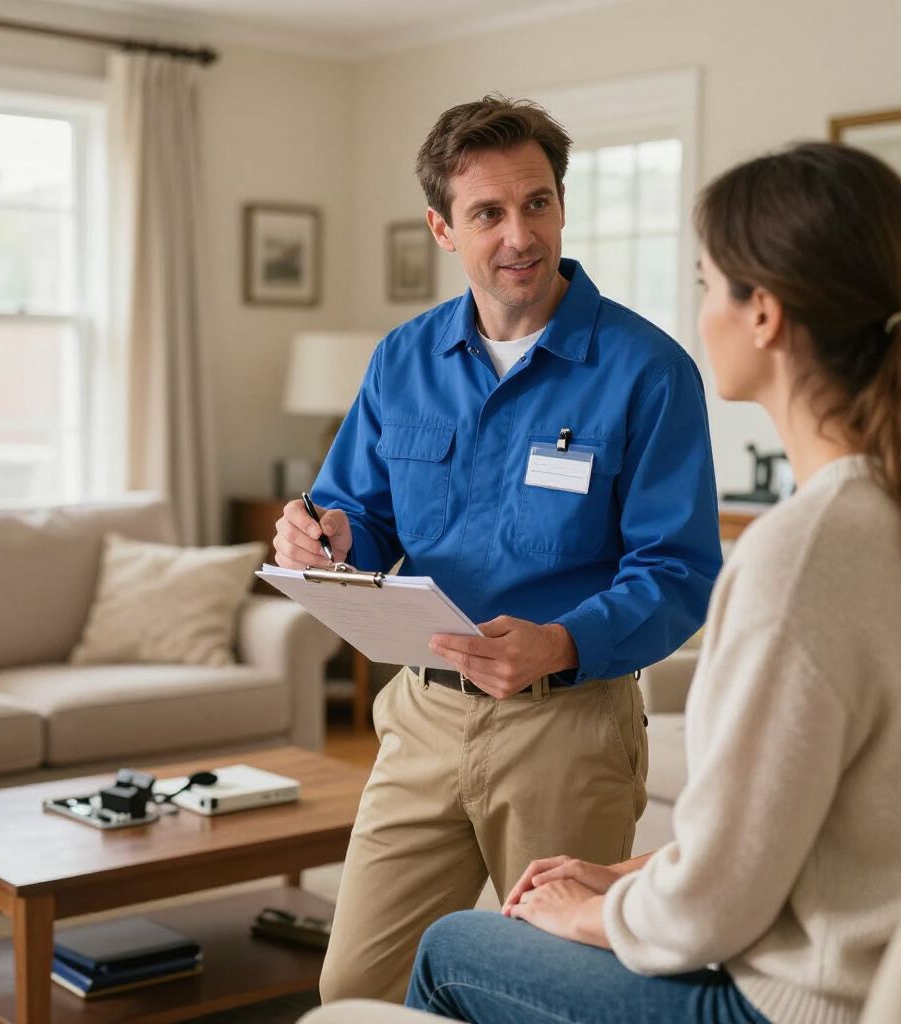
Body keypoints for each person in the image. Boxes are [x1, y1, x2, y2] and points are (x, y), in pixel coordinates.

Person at [389, 141, 901, 1024]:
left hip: (790, 994)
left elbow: (715, 903)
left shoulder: (798, 554)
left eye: (706, 284)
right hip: (816, 937)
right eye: (487, 213)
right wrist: (630, 874)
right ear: (446, 228)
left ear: (764, 315)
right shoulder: (871, 514)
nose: (699, 310)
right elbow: (788, 834)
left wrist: (593, 910)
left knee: (450, 949)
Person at [273, 95, 722, 1003]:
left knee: (562, 997)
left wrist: (558, 642)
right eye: (488, 213)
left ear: (561, 203)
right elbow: (356, 513)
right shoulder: (401, 361)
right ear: (443, 227)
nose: (521, 234)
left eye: (538, 203)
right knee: (354, 989)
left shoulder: (649, 370)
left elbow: (680, 575)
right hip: (422, 720)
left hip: (568, 727)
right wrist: (320, 535)